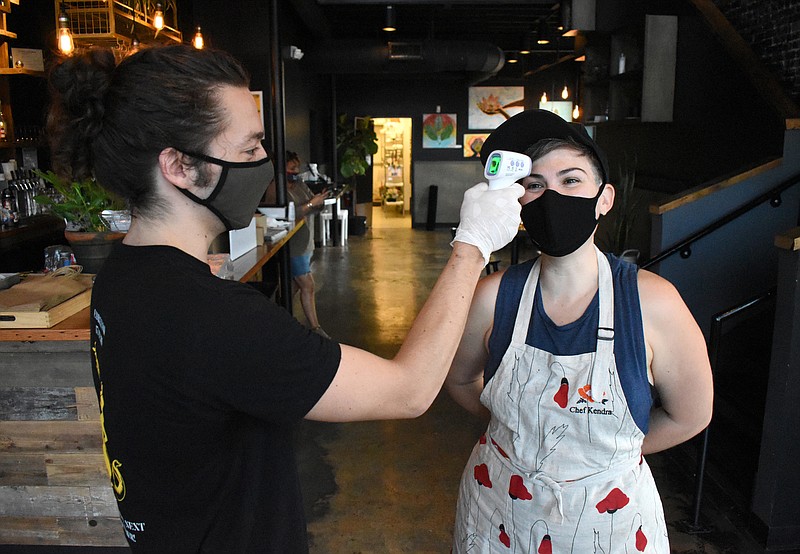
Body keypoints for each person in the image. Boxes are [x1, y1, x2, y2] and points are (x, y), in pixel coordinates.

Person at [45, 44, 523, 552]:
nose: (265, 164)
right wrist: (471, 247)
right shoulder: (215, 317)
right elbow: (407, 391)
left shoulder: (119, 278)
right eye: (249, 149)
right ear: (180, 166)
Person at [445, 109, 713, 553]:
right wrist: (517, 436)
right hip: (497, 514)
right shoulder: (493, 297)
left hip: (610, 523)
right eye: (534, 185)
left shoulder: (653, 302)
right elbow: (457, 378)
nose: (551, 196)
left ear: (604, 198)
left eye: (571, 180)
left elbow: (692, 414)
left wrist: (608, 458)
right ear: (518, 200)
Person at [263, 151, 330, 337]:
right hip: (291, 245)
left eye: (297, 168)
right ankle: (315, 328)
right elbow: (284, 214)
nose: (296, 171)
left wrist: (317, 201)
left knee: (293, 285)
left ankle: (277, 317)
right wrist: (310, 204)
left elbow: (312, 204)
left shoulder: (299, 184)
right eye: (291, 168)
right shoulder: (276, 188)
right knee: (308, 285)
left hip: (305, 242)